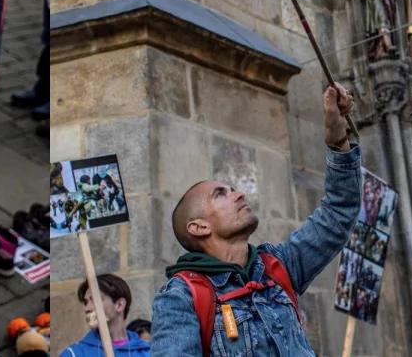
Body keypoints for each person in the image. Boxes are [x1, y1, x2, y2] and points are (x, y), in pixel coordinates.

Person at [150, 84, 360, 356]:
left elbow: (337, 214)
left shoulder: (279, 267)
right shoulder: (180, 298)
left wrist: (338, 142)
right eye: (220, 194)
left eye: (233, 189)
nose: (238, 194)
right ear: (199, 227)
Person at [63, 274, 152, 356]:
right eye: (86, 302)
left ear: (119, 305)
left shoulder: (149, 352)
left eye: (94, 299)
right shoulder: (74, 354)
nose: (87, 308)